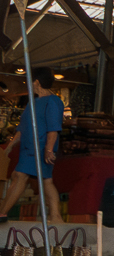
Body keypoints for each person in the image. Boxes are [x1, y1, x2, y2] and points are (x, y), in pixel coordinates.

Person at [1, 69, 63, 223]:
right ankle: (56, 216)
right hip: (28, 148)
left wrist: (48, 150)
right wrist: (10, 146)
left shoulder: (53, 102)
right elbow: (22, 128)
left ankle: (2, 212)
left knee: (20, 176)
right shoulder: (33, 102)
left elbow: (53, 129)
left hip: (41, 147)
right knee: (45, 180)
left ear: (36, 82)